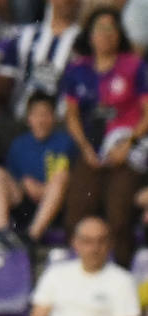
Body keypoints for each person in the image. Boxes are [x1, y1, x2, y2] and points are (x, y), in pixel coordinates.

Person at [59, 7, 148, 266]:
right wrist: (85, 148)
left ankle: (120, 275)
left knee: (119, 217)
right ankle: (74, 277)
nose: (106, 35)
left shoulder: (135, 66)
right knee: (76, 215)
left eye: (111, 29)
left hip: (126, 151)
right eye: (100, 29)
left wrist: (128, 143)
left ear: (119, 34)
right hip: (91, 150)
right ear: (90, 35)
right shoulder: (77, 69)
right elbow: (72, 115)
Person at [28, 217, 138, 316]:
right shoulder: (55, 274)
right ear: (75, 243)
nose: (94, 248)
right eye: (88, 241)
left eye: (101, 241)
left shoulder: (123, 280)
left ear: (110, 244)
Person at [0, 91, 73, 245]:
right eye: (36, 115)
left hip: (55, 205)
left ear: (53, 118)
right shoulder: (19, 144)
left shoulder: (65, 142)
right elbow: (13, 180)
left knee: (61, 177)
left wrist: (44, 189)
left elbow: (67, 178)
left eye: (45, 114)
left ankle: (32, 237)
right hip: (25, 204)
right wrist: (24, 184)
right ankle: (1, 233)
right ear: (29, 119)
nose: (41, 120)